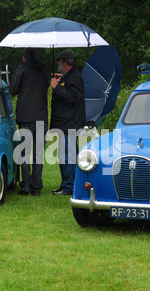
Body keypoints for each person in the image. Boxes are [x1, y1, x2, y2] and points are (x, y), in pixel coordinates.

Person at [9, 47, 49, 196]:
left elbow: (12, 89)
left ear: (24, 58)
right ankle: (37, 187)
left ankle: (26, 185)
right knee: (38, 155)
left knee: (24, 153)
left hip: (26, 118)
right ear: (36, 57)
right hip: (42, 119)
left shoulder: (22, 70)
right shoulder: (43, 72)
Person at [50, 50, 86, 196]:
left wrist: (57, 87)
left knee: (69, 155)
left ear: (65, 62)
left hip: (70, 123)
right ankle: (66, 184)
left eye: (59, 62)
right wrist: (60, 81)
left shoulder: (75, 77)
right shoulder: (70, 76)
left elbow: (73, 98)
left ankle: (70, 185)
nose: (58, 65)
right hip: (66, 123)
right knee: (64, 154)